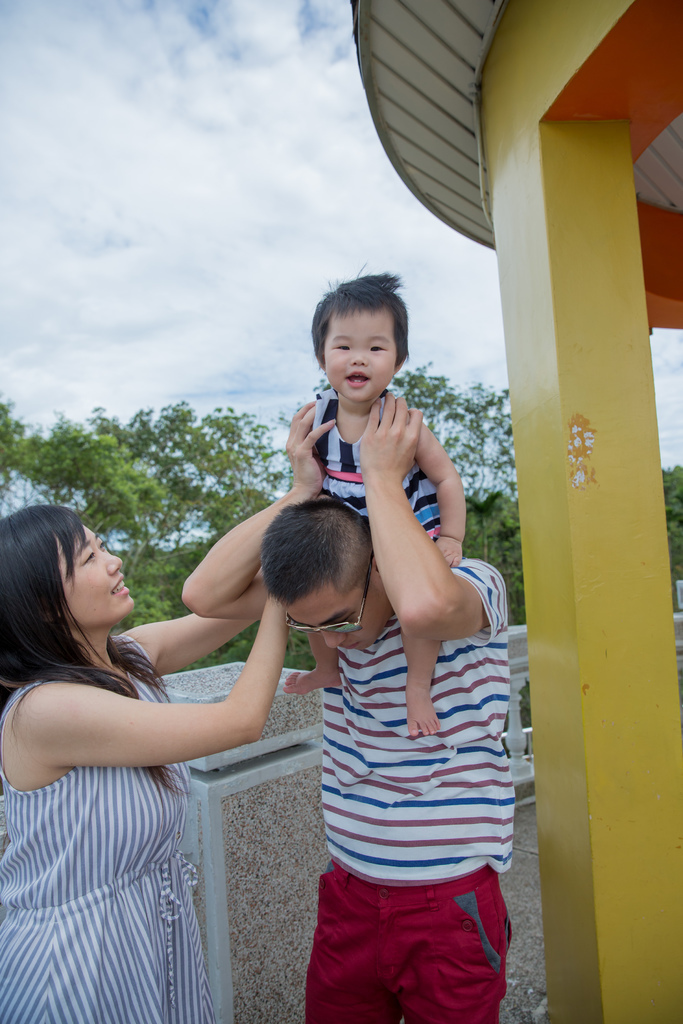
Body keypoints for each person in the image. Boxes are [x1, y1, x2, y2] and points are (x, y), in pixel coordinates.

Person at [183, 395, 514, 1024]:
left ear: (382, 572)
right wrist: (300, 490)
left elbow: (422, 609)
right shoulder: (325, 596)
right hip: (349, 893)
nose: (330, 639)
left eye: (341, 617)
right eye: (312, 625)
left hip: (451, 902)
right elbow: (202, 593)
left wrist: (382, 478)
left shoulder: (473, 585)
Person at [0, 504, 289, 1024]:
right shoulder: (44, 710)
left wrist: (300, 495)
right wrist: (286, 599)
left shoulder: (126, 660)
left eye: (103, 545)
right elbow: (241, 720)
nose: (113, 562)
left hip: (150, 937)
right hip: (75, 965)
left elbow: (222, 604)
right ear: (44, 604)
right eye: (90, 558)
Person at [286, 272, 467, 740]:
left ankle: (417, 686)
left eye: (376, 347)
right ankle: (326, 666)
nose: (359, 358)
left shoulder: (402, 421)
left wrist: (451, 536)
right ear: (322, 355)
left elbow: (446, 477)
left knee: (412, 604)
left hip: (404, 534)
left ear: (399, 360)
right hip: (349, 538)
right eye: (343, 346)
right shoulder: (316, 417)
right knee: (305, 581)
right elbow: (310, 477)